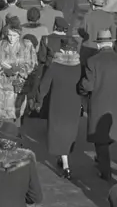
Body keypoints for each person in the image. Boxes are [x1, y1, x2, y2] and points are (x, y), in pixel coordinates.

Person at [78, 29, 117, 181]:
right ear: (111, 42)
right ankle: (102, 160)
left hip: (99, 104)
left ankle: (105, 171)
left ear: (99, 44)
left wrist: (80, 87)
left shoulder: (92, 61)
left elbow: (88, 86)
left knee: (100, 140)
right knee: (109, 134)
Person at [35, 36, 83, 179]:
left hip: (57, 103)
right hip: (74, 104)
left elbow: (43, 86)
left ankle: (66, 166)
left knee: (58, 132)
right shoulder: (79, 67)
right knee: (69, 132)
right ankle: (64, 158)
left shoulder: (55, 66)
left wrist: (38, 100)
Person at [0, 16, 37, 122]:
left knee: (17, 115)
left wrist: (19, 70)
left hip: (19, 87)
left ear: (20, 34)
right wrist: (2, 71)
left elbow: (33, 64)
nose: (11, 38)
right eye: (9, 35)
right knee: (3, 117)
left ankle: (15, 133)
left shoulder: (27, 46)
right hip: (3, 88)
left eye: (15, 35)